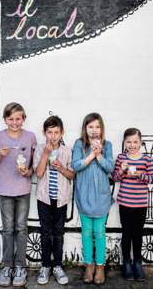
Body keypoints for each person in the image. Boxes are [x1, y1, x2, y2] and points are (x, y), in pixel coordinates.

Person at [0, 102, 36, 287]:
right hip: (4, 190)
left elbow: (33, 165)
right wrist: (0, 155)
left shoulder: (30, 137)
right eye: (11, 119)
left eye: (18, 118)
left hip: (23, 189)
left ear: (23, 118)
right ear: (5, 119)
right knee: (8, 229)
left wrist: (28, 172)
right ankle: (7, 267)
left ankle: (20, 267)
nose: (15, 122)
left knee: (21, 228)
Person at [72, 112, 114, 285]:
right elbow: (75, 166)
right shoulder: (79, 144)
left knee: (100, 232)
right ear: (85, 129)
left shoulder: (108, 145)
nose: (94, 130)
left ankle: (100, 266)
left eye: (97, 126)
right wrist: (90, 155)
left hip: (101, 198)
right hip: (84, 196)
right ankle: (88, 265)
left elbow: (110, 167)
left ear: (101, 129)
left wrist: (99, 155)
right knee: (87, 232)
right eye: (90, 127)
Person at [33, 116, 75, 285]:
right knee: (45, 232)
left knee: (58, 233)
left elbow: (72, 175)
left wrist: (61, 168)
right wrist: (46, 154)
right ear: (44, 133)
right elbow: (39, 173)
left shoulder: (67, 151)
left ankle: (57, 265)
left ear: (62, 133)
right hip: (44, 198)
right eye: (49, 132)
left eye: (56, 132)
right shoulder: (40, 149)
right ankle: (45, 266)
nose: (53, 136)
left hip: (61, 199)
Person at [112, 128, 152, 281]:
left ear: (140, 143)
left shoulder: (147, 159)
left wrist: (139, 175)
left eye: (135, 142)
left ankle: (137, 262)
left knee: (138, 234)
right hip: (125, 203)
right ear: (124, 143)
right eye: (129, 142)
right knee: (127, 234)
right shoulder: (122, 157)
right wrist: (122, 170)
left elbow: (151, 178)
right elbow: (115, 178)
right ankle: (127, 263)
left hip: (141, 204)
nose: (132, 145)